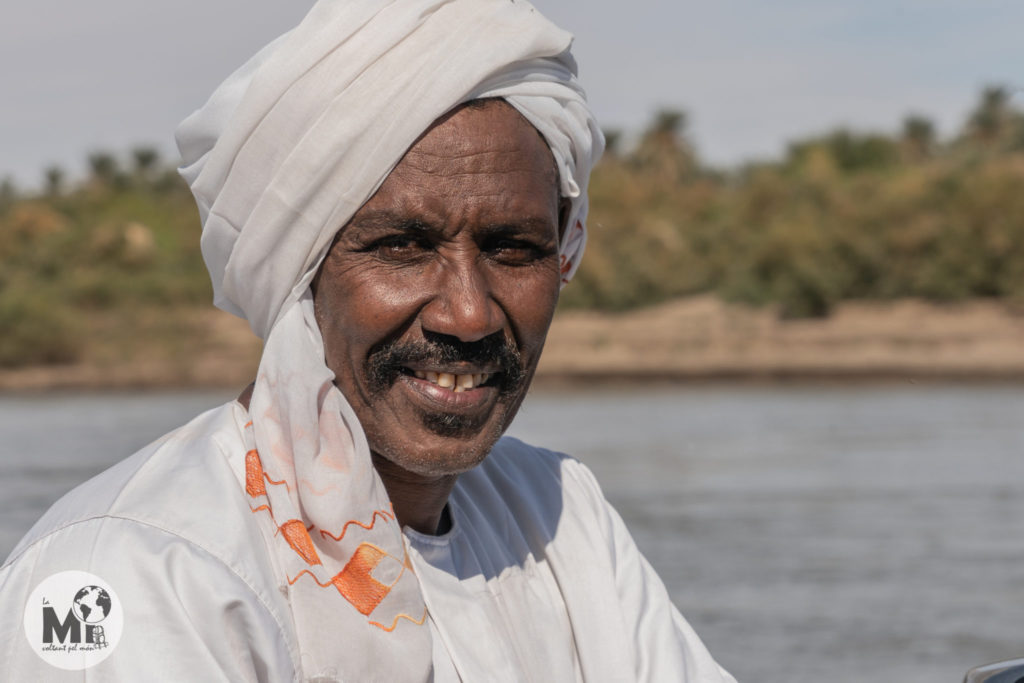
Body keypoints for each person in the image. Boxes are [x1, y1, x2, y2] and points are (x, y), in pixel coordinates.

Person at [1, 1, 736, 680]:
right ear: (302, 271)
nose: (470, 314)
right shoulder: (136, 571)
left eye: (513, 248)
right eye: (402, 247)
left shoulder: (560, 515)